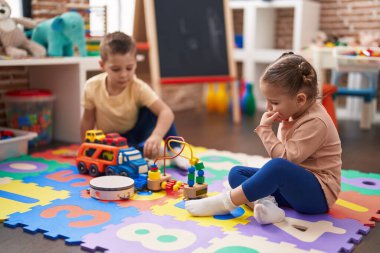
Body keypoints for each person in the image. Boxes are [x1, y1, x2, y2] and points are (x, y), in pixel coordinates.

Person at [185, 52, 342, 224]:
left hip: (317, 196)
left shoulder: (315, 121)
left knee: (277, 167)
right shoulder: (294, 112)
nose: (268, 107)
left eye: (274, 102)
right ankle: (267, 207)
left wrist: (266, 129)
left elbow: (285, 160)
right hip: (293, 188)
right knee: (237, 173)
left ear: (300, 99)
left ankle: (226, 202)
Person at [80, 31, 188, 169]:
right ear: (102, 65)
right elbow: (87, 119)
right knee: (122, 159)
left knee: (157, 111)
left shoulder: (138, 87)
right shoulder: (92, 86)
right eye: (116, 69)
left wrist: (156, 136)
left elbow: (166, 112)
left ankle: (175, 150)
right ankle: (149, 151)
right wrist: (84, 147)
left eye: (129, 68)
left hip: (136, 131)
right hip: (110, 140)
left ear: (135, 64)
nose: (124, 75)